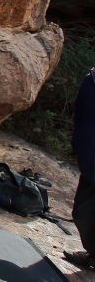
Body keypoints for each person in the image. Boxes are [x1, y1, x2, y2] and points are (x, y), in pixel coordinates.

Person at [64, 67, 95, 271]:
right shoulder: (90, 80)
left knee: (85, 212)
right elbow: (81, 117)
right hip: (90, 158)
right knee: (82, 211)